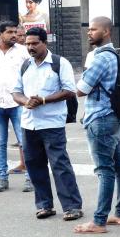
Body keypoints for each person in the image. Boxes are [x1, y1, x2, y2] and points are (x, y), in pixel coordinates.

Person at [11, 27, 82, 220]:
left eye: (34, 43)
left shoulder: (59, 63)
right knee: (34, 166)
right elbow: (15, 92)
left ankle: (72, 207)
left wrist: (43, 100)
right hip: (28, 124)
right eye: (27, 44)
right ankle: (44, 205)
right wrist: (26, 101)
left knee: (60, 165)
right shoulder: (25, 65)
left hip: (52, 124)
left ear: (45, 43)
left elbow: (69, 91)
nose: (30, 47)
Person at [74, 16, 120, 234]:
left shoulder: (100, 58)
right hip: (114, 116)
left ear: (106, 31)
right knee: (119, 165)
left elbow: (82, 89)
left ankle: (99, 221)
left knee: (104, 170)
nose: (89, 33)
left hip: (100, 117)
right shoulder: (117, 56)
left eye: (93, 29)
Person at [0, 21, 31, 192]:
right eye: (9, 32)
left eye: (15, 32)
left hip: (18, 103)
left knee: (24, 142)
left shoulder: (23, 52)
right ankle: (1, 178)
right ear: (0, 34)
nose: (13, 35)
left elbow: (32, 72)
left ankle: (30, 178)